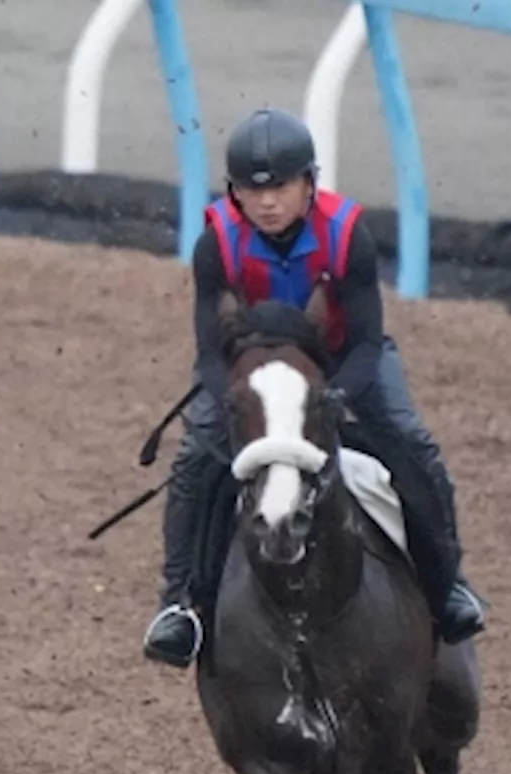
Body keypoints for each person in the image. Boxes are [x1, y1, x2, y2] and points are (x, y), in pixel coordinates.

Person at [142, 107, 486, 669]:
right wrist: (234, 403)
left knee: (411, 443)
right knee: (192, 460)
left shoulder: (348, 235)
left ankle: (448, 585)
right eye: (252, 192)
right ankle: (180, 604)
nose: (268, 202)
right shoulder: (215, 243)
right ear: (234, 194)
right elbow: (209, 352)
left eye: (280, 187)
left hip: (345, 363)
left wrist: (331, 400)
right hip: (250, 373)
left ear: (309, 185)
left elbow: (369, 342)